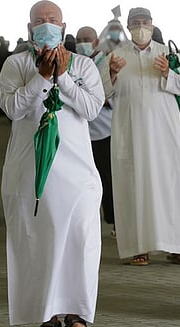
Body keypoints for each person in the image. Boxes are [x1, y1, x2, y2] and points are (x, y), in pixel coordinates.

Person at [0, 0, 104, 327]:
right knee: (38, 244)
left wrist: (64, 80)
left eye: (52, 20)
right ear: (29, 29)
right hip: (31, 175)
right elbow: (13, 108)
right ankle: (46, 320)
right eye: (39, 21)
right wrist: (43, 77)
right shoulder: (15, 64)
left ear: (63, 26)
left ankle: (77, 317)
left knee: (80, 241)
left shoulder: (84, 65)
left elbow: (92, 107)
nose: (46, 25)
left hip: (78, 175)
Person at [101, 7, 180, 265]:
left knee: (169, 187)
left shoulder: (168, 53)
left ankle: (176, 246)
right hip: (130, 135)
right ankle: (137, 247)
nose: (140, 26)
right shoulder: (115, 56)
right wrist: (110, 74)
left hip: (165, 134)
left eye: (144, 22)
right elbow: (100, 94)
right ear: (128, 27)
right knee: (132, 187)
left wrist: (168, 72)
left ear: (152, 25)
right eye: (135, 22)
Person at [76, 26, 116, 237]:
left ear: (96, 41)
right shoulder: (74, 62)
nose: (83, 42)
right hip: (82, 134)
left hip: (106, 130)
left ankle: (114, 220)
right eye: (79, 39)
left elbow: (112, 96)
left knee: (108, 179)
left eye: (87, 39)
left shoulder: (109, 62)